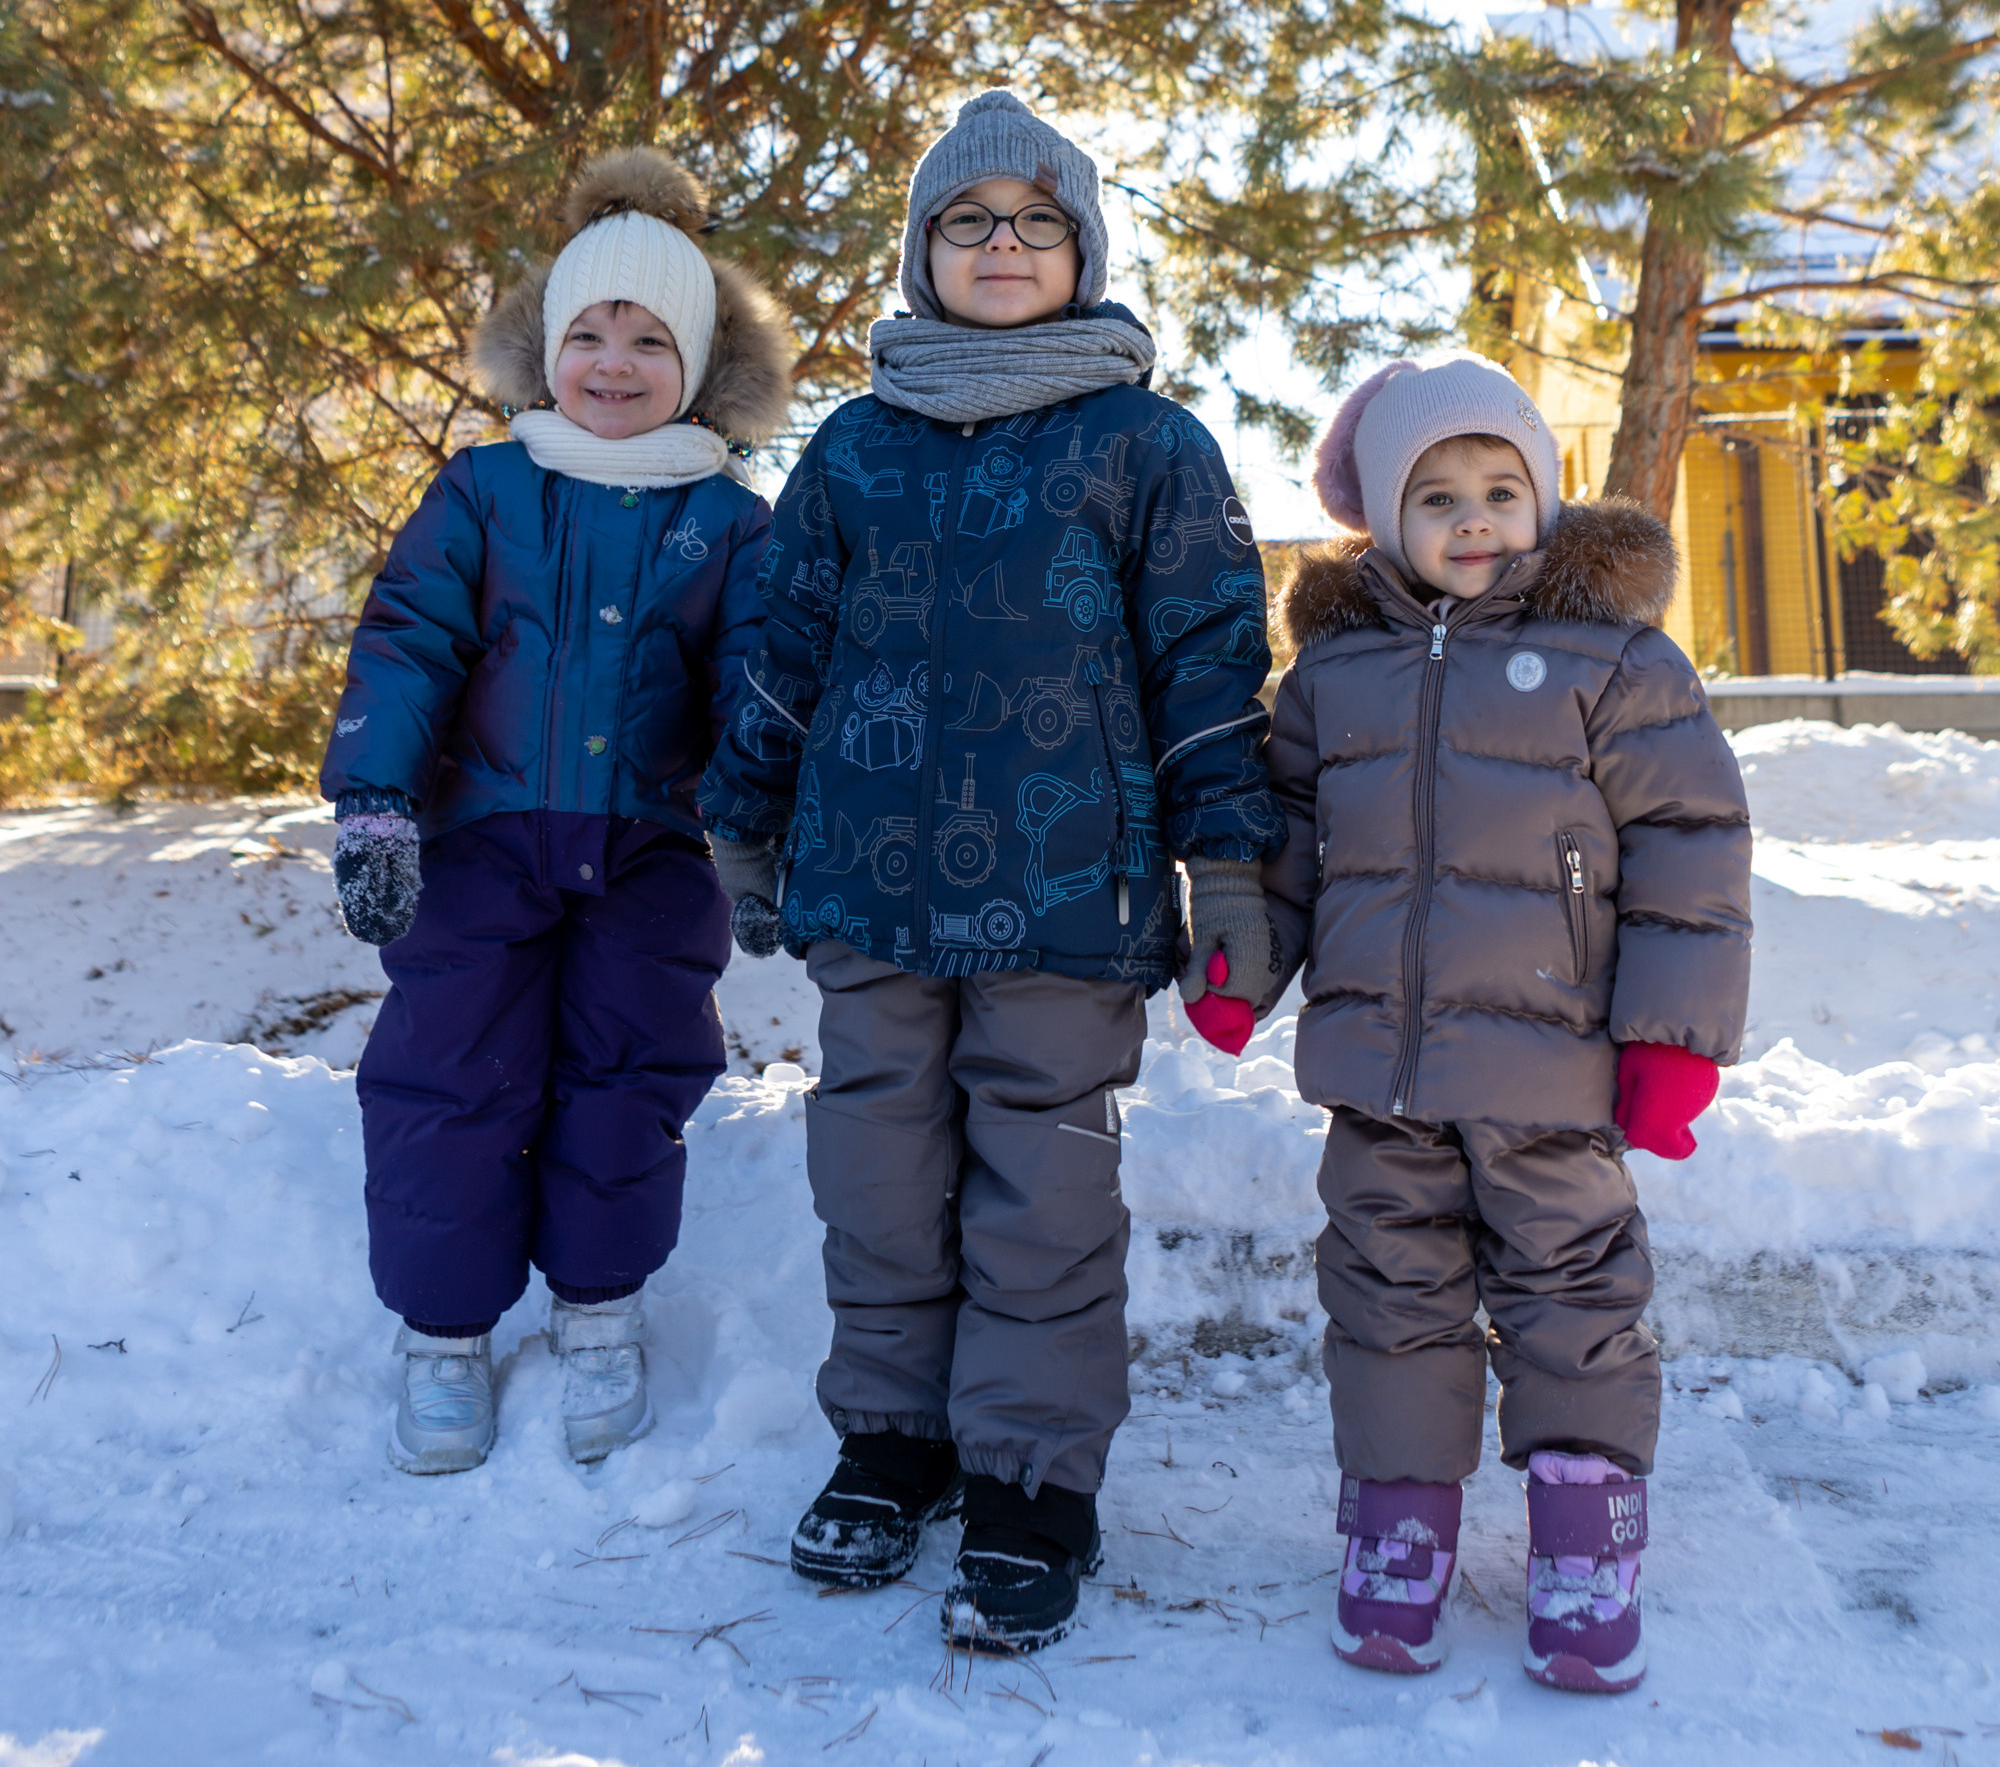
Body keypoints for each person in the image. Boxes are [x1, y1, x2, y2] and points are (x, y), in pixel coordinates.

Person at [699, 88, 1287, 1652]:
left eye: (1036, 220)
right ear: (923, 255)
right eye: (970, 220)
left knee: (1041, 1190)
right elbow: (784, 650)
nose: (1004, 242)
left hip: (1069, 891)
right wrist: (743, 822)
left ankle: (1031, 1479)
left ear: (1082, 250)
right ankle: (893, 1445)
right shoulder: (856, 447)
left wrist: (1229, 872)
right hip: (867, 882)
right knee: (877, 1175)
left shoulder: (1147, 445)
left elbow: (1212, 669)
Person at [1264, 351, 1751, 1696]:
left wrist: (1670, 1039)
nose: (1472, 517)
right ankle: (1400, 1531)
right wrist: (1242, 962)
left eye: (1499, 487)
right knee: (1387, 1297)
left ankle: (1586, 1543)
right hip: (1380, 1069)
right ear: (1381, 520)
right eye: (1434, 496)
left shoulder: (1617, 663)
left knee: (1574, 1297)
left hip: (1555, 1065)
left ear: (1543, 500)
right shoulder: (1333, 678)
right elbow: (1279, 853)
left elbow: (1692, 847)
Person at [322, 151, 791, 1476]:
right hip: (481, 845)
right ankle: (444, 1330)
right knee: (449, 1072)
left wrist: (758, 832)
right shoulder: (486, 492)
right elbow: (408, 640)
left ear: (696, 366)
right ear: (547, 349)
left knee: (629, 1073)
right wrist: (374, 802)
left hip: (652, 854)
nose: (616, 361)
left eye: (651, 338)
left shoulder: (725, 522)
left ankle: (599, 1309)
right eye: (589, 332)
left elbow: (755, 689)